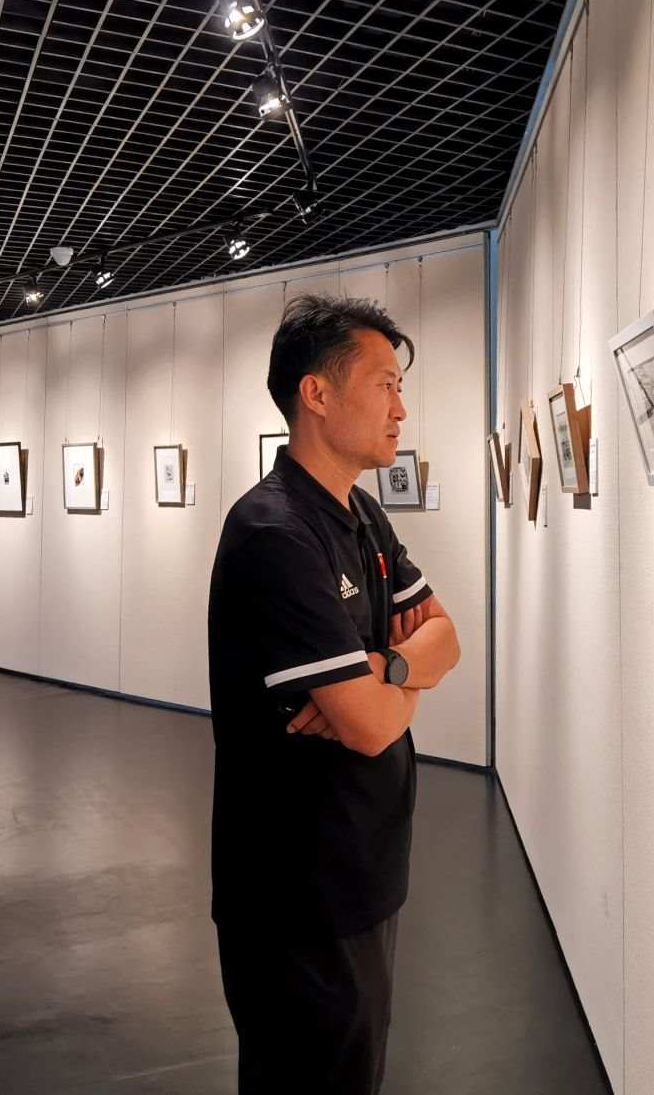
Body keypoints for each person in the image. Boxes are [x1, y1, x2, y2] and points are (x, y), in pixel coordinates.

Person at [207, 294, 462, 1094]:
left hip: (361, 870)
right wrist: (400, 675)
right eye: (385, 385)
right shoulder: (274, 533)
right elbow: (369, 728)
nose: (401, 409)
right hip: (298, 895)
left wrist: (386, 669)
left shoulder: (359, 515)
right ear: (316, 393)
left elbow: (447, 637)